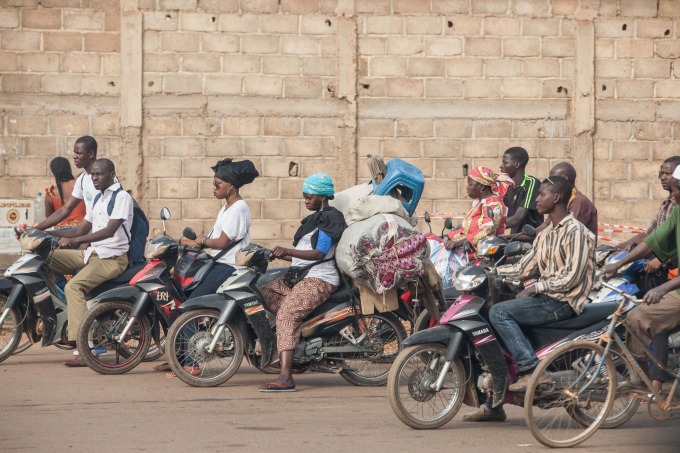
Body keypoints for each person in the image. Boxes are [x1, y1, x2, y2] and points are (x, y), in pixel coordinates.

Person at [463, 175, 596, 422]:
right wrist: (487, 272)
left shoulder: (577, 232)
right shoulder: (547, 234)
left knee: (500, 312)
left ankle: (532, 370)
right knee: (486, 318)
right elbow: (525, 267)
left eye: (541, 195)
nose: (536, 199)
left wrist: (536, 288)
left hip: (563, 301)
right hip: (547, 296)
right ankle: (494, 404)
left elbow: (571, 277)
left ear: (556, 198)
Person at [159, 158, 259, 376]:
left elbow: (221, 243)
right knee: (181, 302)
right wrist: (176, 241)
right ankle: (178, 357)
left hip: (229, 268)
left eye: (217, 184)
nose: (213, 188)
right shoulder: (227, 208)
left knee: (191, 307)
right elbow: (210, 241)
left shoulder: (239, 208)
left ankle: (190, 364)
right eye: (213, 183)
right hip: (217, 263)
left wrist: (202, 241)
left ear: (231, 186)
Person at [258, 173, 346, 392]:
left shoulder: (328, 219)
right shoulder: (315, 220)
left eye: (309, 197)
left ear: (322, 197)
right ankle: (293, 341)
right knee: (264, 292)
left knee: (287, 314)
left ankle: (286, 378)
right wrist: (274, 254)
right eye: (304, 197)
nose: (306, 200)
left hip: (320, 278)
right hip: (304, 274)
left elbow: (318, 253)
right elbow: (301, 256)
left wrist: (287, 250)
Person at [42, 159, 134, 367]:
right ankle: (61, 315)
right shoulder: (98, 200)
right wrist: (43, 233)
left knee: (73, 286)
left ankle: (86, 348)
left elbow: (109, 231)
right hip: (92, 255)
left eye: (98, 174)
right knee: (43, 260)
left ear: (112, 175)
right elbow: (80, 229)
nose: (94, 178)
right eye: (92, 175)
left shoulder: (122, 198)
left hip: (112, 259)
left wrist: (75, 241)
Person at [603, 166, 680, 394]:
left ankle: (640, 377)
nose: (672, 195)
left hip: (675, 290)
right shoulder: (677, 212)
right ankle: (648, 377)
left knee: (639, 317)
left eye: (674, 190)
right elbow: (652, 240)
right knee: (634, 315)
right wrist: (619, 263)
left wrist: (664, 288)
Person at [34, 136, 117, 233]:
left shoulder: (106, 178)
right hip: (89, 233)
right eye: (74, 153)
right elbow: (65, 210)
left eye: (79, 153)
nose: (74, 156)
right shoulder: (82, 179)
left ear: (90, 154)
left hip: (106, 239)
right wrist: (35, 230)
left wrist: (86, 240)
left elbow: (109, 216)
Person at [512, 162, 598, 240]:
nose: (537, 199)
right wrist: (507, 238)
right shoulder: (562, 202)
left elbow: (567, 234)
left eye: (552, 178)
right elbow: (540, 230)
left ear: (564, 179)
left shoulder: (579, 201)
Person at [445, 166, 513, 259]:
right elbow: (465, 231)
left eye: (470, 184)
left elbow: (487, 229)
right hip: (466, 252)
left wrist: (457, 243)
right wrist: (444, 237)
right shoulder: (480, 203)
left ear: (481, 186)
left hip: (483, 257)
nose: (467, 187)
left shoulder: (494, 204)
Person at [500, 147, 543, 234]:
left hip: (531, 238)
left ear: (516, 165)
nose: (501, 166)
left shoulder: (532, 183)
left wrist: (490, 227)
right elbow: (505, 216)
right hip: (514, 237)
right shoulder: (508, 186)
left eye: (505, 163)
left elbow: (517, 218)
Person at [44, 157, 86, 228]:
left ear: (53, 172)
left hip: (60, 232)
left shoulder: (50, 193)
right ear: (69, 168)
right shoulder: (80, 184)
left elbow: (49, 217)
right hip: (83, 228)